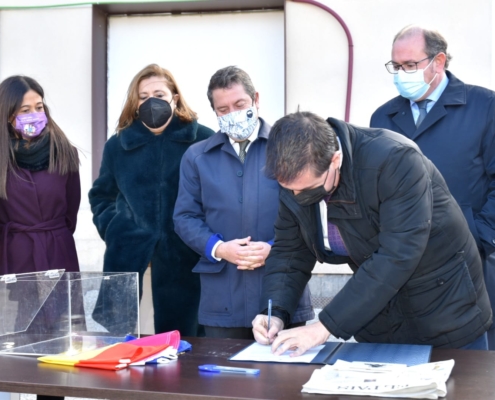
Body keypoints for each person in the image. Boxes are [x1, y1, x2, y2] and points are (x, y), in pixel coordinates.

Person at [252, 111, 492, 356]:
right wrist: (276, 312)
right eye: (290, 190)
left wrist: (323, 327)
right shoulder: (299, 178)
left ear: (335, 160)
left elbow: (397, 256)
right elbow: (290, 251)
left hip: (444, 308)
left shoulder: (395, 159)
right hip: (378, 315)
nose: (297, 198)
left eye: (309, 190)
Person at [370, 25, 495, 349]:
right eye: (396, 66)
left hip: (469, 263)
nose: (401, 73)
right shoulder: (383, 117)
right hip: (407, 267)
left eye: (410, 65)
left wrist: (478, 234)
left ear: (438, 62)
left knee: (473, 374)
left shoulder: (484, 106)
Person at [173, 66, 314, 339]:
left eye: (240, 104)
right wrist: (219, 248)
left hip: (283, 287)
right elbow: (184, 217)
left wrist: (274, 248)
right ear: (213, 111)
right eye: (223, 109)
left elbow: (309, 210)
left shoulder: (288, 147)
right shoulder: (197, 157)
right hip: (223, 296)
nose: (233, 114)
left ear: (256, 99)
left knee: (285, 379)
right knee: (224, 378)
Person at [89, 64, 214, 336]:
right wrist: (115, 228)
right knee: (128, 343)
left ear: (174, 97)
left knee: (182, 343)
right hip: (129, 258)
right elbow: (101, 195)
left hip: (185, 259)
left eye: (159, 93)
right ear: (135, 103)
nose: (151, 102)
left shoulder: (203, 140)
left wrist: (204, 239)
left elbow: (218, 197)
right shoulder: (118, 144)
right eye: (143, 96)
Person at [0, 76, 80, 400]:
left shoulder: (64, 152)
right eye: (25, 109)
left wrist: (51, 238)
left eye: (39, 106)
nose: (34, 114)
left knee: (57, 354)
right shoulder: (1, 159)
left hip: (58, 255)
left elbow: (70, 212)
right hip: (14, 259)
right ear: (8, 116)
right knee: (17, 354)